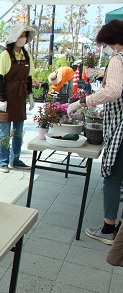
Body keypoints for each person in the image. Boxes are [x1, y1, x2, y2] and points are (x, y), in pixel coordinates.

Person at [67, 19, 123, 246]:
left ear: (113, 41)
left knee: (112, 177)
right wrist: (106, 112)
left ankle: (108, 229)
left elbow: (113, 90)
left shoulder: (118, 59)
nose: (104, 49)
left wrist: (82, 102)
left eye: (104, 45)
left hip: (121, 132)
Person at [0, 23, 37, 173]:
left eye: (25, 36)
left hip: (20, 98)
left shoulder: (26, 55)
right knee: (5, 132)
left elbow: (29, 77)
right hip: (7, 96)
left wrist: (30, 95)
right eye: (21, 35)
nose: (23, 38)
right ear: (14, 38)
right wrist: (2, 98)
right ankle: (3, 161)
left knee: (19, 132)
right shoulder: (5, 55)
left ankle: (16, 159)